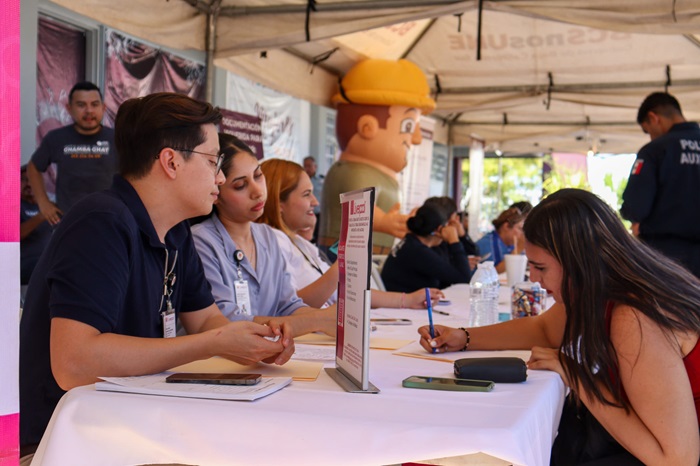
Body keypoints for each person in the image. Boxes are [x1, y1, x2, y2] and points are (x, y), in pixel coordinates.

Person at [19, 93, 295, 459]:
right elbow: (74, 364)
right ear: (171, 162)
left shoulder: (176, 231)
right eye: (213, 161)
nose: (220, 176)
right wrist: (213, 343)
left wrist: (250, 342)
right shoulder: (101, 222)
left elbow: (205, 321)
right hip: (62, 443)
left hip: (131, 425)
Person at [418, 189, 700, 465]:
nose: (533, 277)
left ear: (580, 261)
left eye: (540, 267)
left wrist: (577, 377)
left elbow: (676, 460)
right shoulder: (598, 288)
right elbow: (542, 330)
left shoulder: (634, 316)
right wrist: (463, 337)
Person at [191, 133, 335, 337]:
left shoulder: (268, 236)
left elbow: (289, 306)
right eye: (240, 186)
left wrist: (333, 320)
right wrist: (316, 320)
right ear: (216, 193)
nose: (257, 191)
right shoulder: (201, 242)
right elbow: (225, 321)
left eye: (258, 175)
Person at [257, 158, 443, 309]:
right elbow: (288, 308)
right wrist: (343, 262)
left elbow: (345, 290)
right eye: (306, 194)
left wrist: (407, 300)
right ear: (278, 203)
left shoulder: (300, 243)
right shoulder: (273, 242)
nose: (315, 202)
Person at [319, 59, 436, 257]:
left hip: (370, 258)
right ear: (367, 127)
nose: (416, 139)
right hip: (344, 259)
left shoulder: (378, 175)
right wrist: (383, 222)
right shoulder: (353, 172)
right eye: (408, 126)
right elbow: (359, 211)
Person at [621, 92, 700, 278]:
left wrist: (634, 219)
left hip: (666, 259)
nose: (651, 137)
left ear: (653, 118)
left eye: (648, 131)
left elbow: (635, 208)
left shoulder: (655, 150)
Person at [27, 81, 118, 225]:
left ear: (103, 107)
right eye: (81, 105)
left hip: (109, 221)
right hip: (68, 223)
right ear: (69, 108)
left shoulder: (118, 139)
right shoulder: (56, 138)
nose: (89, 111)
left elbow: (136, 175)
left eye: (94, 104)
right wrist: (43, 203)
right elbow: (34, 167)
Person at [381, 201, 471, 293]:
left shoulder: (411, 242)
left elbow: (446, 272)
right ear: (439, 230)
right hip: (403, 301)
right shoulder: (418, 252)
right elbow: (464, 279)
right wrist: (454, 241)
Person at [20, 165, 52, 290]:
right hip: (22, 277)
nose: (29, 184)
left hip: (46, 276)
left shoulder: (51, 205)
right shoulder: (12, 207)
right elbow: (15, 235)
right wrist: (42, 215)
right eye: (24, 179)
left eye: (33, 180)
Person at [424, 196, 479, 267]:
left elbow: (475, 253)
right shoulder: (434, 242)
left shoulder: (444, 240)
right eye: (455, 217)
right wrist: (462, 264)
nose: (457, 220)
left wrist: (463, 235)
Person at [474, 206, 526, 273]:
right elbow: (493, 273)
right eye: (520, 228)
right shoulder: (486, 244)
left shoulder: (511, 244)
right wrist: (518, 248)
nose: (522, 233)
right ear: (506, 226)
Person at [303, 155, 323, 243]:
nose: (307, 169)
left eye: (309, 166)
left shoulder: (322, 181)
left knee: (319, 238)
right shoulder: (301, 181)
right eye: (305, 166)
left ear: (315, 166)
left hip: (319, 215)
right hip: (305, 214)